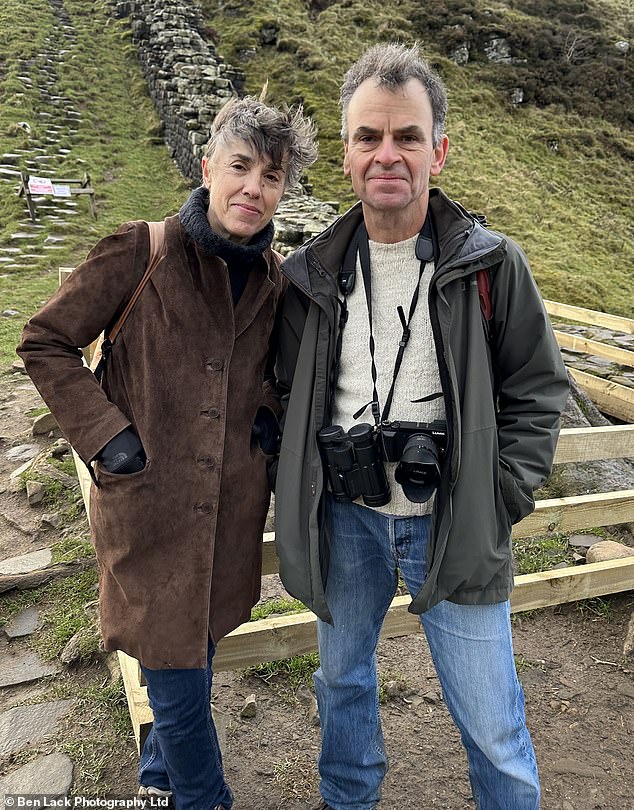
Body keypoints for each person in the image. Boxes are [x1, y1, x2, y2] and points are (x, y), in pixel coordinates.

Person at [273, 43, 569, 810]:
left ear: (438, 148)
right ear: (345, 154)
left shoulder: (491, 265)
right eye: (368, 136)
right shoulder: (309, 275)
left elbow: (539, 388)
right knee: (340, 684)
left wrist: (501, 492)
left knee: (491, 720)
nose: (387, 154)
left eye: (407, 136)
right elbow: (279, 392)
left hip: (454, 521)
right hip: (346, 518)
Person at [18, 95, 317, 810]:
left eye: (271, 176)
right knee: (178, 676)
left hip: (229, 512)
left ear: (284, 190)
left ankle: (158, 770)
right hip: (147, 504)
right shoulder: (139, 251)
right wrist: (107, 436)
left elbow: (271, 376)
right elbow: (44, 342)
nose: (253, 187)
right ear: (208, 165)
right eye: (240, 166)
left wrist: (267, 421)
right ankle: (204, 797)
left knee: (197, 644)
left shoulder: (276, 279)